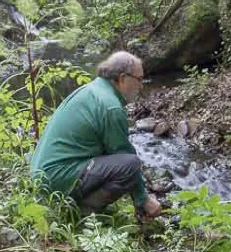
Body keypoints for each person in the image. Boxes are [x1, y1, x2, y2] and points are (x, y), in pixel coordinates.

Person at [29, 51, 161, 219]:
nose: (141, 86)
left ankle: (75, 204)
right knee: (131, 164)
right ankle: (81, 212)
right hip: (56, 178)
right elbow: (123, 155)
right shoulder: (111, 107)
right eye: (139, 79)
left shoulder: (91, 90)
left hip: (41, 175)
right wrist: (143, 199)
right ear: (122, 78)